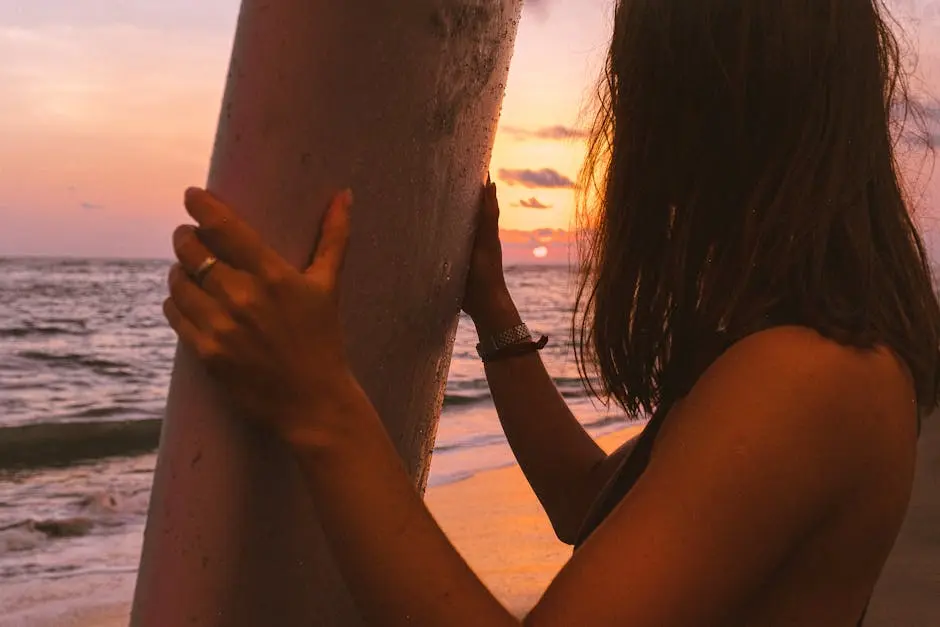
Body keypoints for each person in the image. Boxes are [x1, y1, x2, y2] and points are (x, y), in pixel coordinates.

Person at [162, 1, 940, 625]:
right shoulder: (812, 352)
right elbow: (587, 501)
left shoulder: (807, 377)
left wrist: (321, 406)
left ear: (702, 119)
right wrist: (492, 308)